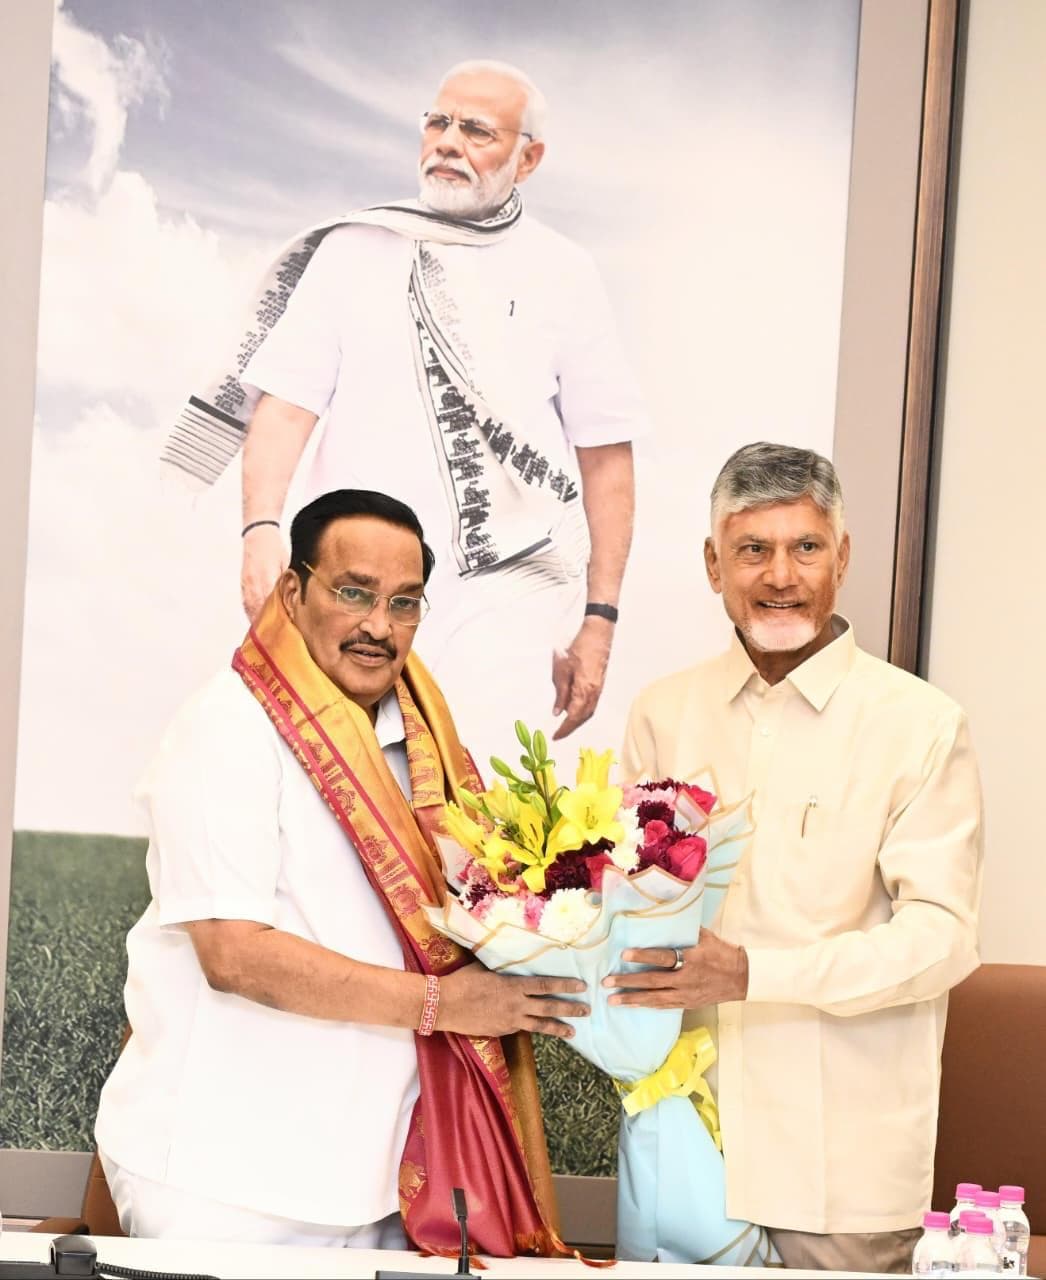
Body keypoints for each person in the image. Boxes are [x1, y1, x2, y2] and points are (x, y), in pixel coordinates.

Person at [94, 488, 588, 1253]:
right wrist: (446, 1004)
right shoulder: (227, 726)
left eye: (404, 603)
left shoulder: (426, 742)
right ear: (293, 592)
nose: (378, 627)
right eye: (353, 592)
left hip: (383, 1183)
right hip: (224, 1182)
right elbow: (234, 953)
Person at [164, 59, 647, 767]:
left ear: (529, 157)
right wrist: (261, 531)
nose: (448, 142)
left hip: (502, 591)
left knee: (487, 815)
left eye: (477, 130)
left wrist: (598, 622)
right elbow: (286, 406)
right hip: (351, 583)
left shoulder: (566, 272)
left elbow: (606, 458)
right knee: (332, 801)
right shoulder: (355, 251)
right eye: (437, 121)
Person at [609, 443, 983, 1275]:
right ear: (714, 565)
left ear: (842, 557)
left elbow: (942, 939)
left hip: (843, 1172)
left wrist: (752, 975)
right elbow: (620, 915)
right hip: (686, 1150)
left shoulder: (919, 723)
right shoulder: (663, 713)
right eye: (753, 550)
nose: (781, 575)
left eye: (805, 547)